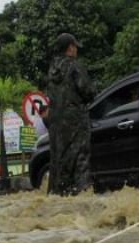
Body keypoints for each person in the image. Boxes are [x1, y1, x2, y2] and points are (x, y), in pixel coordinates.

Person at [46, 33, 96, 196]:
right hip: (76, 120)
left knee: (58, 159)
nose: (76, 50)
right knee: (80, 157)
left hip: (55, 122)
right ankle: (81, 196)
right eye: (75, 47)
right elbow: (88, 92)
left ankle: (57, 193)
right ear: (70, 48)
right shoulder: (75, 66)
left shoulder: (52, 68)